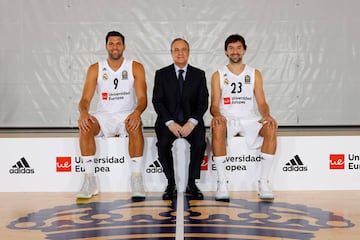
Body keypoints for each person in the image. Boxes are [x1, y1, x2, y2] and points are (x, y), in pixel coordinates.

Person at [76, 31, 147, 202]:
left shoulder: (135, 66)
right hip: (104, 117)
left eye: (118, 43)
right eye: (111, 43)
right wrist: (84, 113)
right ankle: (89, 180)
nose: (115, 47)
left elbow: (143, 98)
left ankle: (136, 179)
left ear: (124, 46)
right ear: (106, 46)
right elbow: (85, 99)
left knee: (135, 125)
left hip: (126, 115)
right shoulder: (96, 68)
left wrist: (137, 112)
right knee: (85, 127)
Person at [210, 34, 277, 202]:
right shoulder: (218, 74)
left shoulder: (254, 73)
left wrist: (266, 115)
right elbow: (214, 105)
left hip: (249, 119)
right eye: (231, 48)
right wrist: (217, 115)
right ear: (226, 51)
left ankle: (263, 182)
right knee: (217, 125)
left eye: (239, 48)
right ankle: (222, 182)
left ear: (244, 50)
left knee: (270, 127)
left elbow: (262, 102)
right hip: (227, 119)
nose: (235, 51)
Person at [152, 38, 209, 200]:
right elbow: (157, 101)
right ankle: (171, 183)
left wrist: (192, 122)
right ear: (171, 53)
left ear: (189, 53)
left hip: (191, 122)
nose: (180, 53)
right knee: (162, 144)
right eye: (176, 50)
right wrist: (170, 123)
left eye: (184, 49)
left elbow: (203, 102)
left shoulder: (199, 75)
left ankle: (192, 183)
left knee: (199, 143)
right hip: (168, 123)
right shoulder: (161, 74)